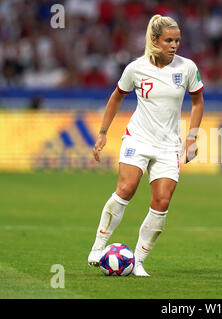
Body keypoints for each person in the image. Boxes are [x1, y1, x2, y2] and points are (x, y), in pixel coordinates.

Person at [87, 14, 204, 277]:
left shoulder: (187, 68)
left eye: (177, 40)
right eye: (168, 40)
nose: (174, 45)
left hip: (168, 146)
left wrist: (192, 138)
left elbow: (197, 102)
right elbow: (116, 97)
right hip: (138, 138)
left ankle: (138, 261)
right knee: (126, 188)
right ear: (154, 40)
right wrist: (103, 133)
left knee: (162, 201)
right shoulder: (135, 68)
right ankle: (98, 247)